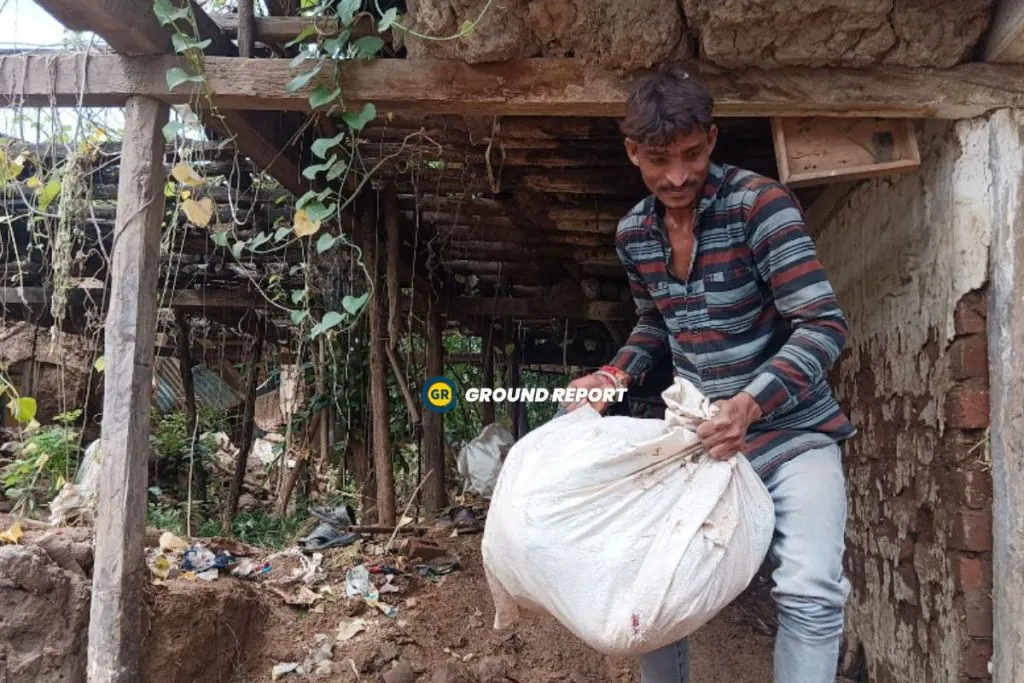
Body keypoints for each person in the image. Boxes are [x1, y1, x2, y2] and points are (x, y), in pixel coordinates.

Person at [564, 62, 856, 683]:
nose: (677, 175)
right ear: (632, 153)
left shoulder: (760, 205)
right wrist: (613, 376)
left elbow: (824, 325)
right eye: (658, 159)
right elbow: (655, 327)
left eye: (692, 155)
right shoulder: (634, 235)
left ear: (713, 140)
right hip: (699, 442)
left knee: (811, 589)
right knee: (657, 591)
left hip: (793, 434)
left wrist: (750, 403)